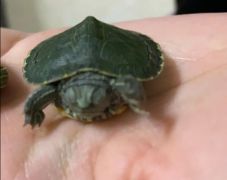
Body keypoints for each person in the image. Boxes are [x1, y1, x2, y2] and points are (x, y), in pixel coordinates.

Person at [1, 13, 227, 180]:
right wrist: (33, 110)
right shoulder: (56, 90)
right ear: (63, 94)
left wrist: (137, 100)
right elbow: (44, 93)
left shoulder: (119, 87)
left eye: (91, 100)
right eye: (76, 101)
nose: (84, 105)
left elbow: (129, 83)